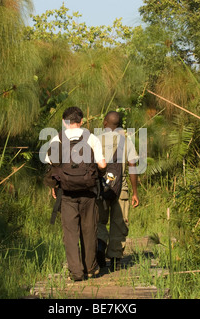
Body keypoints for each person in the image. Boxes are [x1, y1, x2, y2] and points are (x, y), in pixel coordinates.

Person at [45, 106, 107, 281]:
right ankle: (91, 268)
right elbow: (102, 165)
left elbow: (52, 166)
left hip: (66, 194)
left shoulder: (57, 139)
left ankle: (76, 272)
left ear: (65, 122)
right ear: (81, 121)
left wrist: (53, 187)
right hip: (88, 192)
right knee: (89, 230)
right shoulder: (91, 138)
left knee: (70, 232)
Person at [96, 111, 139, 271]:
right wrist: (135, 192)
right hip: (121, 188)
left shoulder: (96, 140)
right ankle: (114, 259)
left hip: (101, 187)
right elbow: (132, 167)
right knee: (118, 222)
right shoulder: (126, 141)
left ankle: (100, 246)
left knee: (99, 220)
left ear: (105, 123)